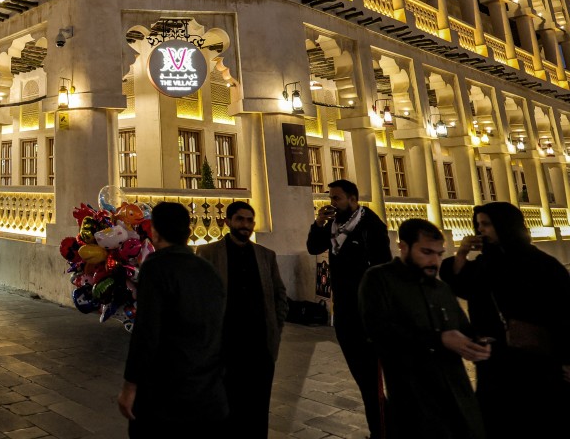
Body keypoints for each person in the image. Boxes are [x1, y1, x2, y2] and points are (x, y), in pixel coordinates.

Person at [439, 202, 570, 436]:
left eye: (487, 224)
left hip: (534, 360)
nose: (481, 231)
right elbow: (462, 286)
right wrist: (461, 252)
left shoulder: (541, 265)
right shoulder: (486, 264)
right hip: (496, 358)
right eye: (478, 225)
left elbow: (564, 314)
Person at [359, 218, 488, 439]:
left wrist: (477, 343)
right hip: (414, 401)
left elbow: (462, 327)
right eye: (427, 252)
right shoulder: (380, 279)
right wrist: (439, 340)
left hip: (458, 398)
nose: (435, 261)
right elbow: (380, 331)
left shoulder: (440, 288)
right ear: (404, 247)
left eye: (439, 254)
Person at [117, 202, 226, 437]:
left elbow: (147, 331)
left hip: (165, 394)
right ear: (188, 232)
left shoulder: (156, 267)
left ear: (154, 231)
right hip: (206, 392)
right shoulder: (207, 269)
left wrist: (130, 384)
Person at [305, 178, 391, 438]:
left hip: (366, 313)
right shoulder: (333, 225)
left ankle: (383, 430)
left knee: (371, 380)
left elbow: (382, 268)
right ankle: (385, 425)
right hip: (343, 311)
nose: (332, 203)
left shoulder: (370, 226)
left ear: (353, 199)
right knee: (363, 378)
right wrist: (318, 223)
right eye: (330, 198)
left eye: (337, 198)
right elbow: (313, 248)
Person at [196, 201, 288, 438]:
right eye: (240, 219)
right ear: (227, 222)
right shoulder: (208, 253)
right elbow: (201, 298)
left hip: (260, 347)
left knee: (257, 411)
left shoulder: (266, 255)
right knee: (226, 410)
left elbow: (279, 295)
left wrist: (275, 329)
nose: (245, 225)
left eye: (249, 220)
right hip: (225, 348)